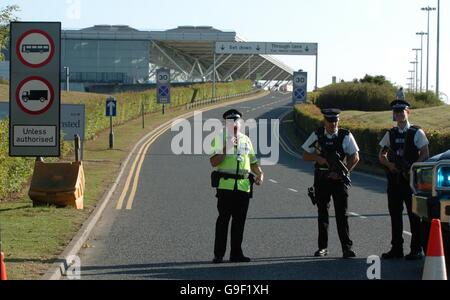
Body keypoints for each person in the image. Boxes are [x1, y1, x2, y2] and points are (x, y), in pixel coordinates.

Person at [302, 109, 360, 258]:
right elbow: (305, 155)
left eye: (335, 121)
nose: (333, 124)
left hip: (339, 180)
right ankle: (323, 247)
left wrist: (344, 171)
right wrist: (319, 159)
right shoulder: (317, 134)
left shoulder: (345, 135)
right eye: (330, 122)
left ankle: (346, 248)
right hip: (322, 178)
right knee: (322, 213)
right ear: (325, 122)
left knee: (342, 214)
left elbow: (355, 157)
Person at [209, 109, 264, 264]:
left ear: (241, 123)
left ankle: (236, 253)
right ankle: (219, 254)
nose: (234, 124)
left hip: (243, 186)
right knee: (223, 220)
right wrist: (226, 147)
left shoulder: (246, 140)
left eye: (237, 122)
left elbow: (252, 161)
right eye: (231, 122)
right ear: (226, 124)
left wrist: (260, 174)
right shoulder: (218, 138)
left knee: (239, 222)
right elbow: (213, 162)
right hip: (226, 186)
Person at [378, 100, 430, 260]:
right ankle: (396, 248)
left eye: (402, 112)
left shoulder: (416, 132)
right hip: (394, 181)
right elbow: (382, 155)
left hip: (411, 181)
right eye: (396, 112)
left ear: (408, 113)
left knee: (414, 216)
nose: (399, 115)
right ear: (393, 115)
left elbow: (425, 153)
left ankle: (416, 249)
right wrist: (390, 165)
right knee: (395, 215)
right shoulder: (391, 133)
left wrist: (413, 167)